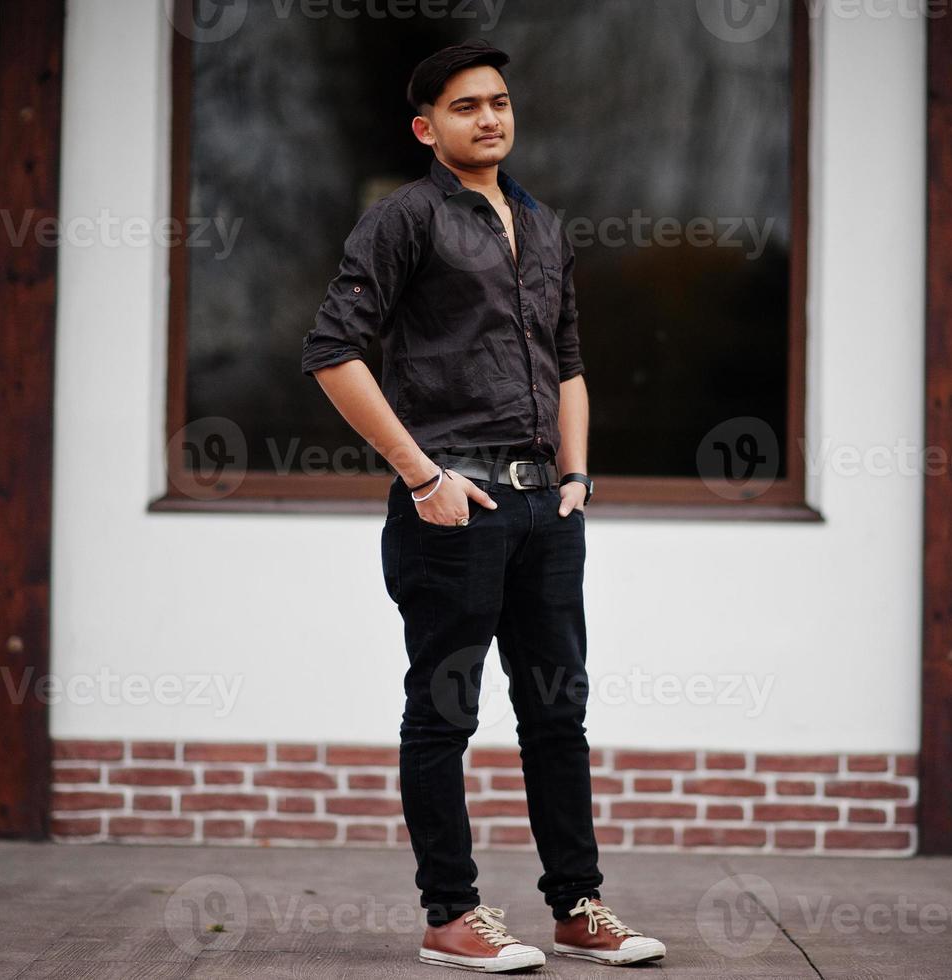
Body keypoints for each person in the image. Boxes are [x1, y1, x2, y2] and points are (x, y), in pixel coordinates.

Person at [300, 38, 666, 973]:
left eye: (499, 101)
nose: (490, 117)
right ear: (427, 127)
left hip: (545, 511)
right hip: (451, 509)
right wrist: (422, 477)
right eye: (466, 106)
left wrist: (576, 479)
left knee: (557, 716)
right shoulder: (402, 221)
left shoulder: (543, 226)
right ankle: (450, 916)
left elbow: (570, 361)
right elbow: (332, 353)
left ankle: (579, 909)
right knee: (443, 715)